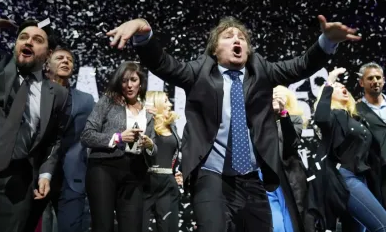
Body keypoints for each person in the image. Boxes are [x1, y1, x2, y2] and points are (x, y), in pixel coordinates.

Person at [107, 15, 360, 232]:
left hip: (251, 178)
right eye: (228, 36)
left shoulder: (261, 70)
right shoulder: (198, 73)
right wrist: (144, 33)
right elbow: (162, 63)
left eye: (242, 37)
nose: (237, 40)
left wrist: (327, 41)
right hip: (211, 175)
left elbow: (302, 65)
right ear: (214, 49)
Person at [0, 19, 69, 232]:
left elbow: (54, 140)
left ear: (48, 53)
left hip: (17, 182)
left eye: (37, 39)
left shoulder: (58, 95)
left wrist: (45, 174)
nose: (29, 42)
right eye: (23, 37)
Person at [24, 47, 94, 232]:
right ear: (47, 64)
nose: (65, 61)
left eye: (69, 60)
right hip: (33, 175)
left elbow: (99, 126)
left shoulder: (86, 101)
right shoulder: (31, 94)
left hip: (71, 179)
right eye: (60, 58)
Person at [80, 61, 157, 232]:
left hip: (134, 171)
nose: (129, 85)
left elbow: (153, 149)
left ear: (141, 82)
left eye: (133, 80)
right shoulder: (108, 102)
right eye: (124, 80)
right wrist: (118, 137)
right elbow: (86, 135)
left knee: (132, 227)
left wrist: (149, 144)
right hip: (104, 168)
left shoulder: (147, 112)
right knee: (103, 226)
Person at [314, 67, 386, 231]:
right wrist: (330, 81)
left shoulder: (355, 118)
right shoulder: (333, 115)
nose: (340, 87)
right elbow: (321, 118)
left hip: (362, 178)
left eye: (341, 85)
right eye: (336, 87)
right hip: (346, 179)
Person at [262, 85, 306, 232]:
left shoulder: (294, 119)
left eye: (278, 94)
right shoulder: (260, 120)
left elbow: (290, 144)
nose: (274, 96)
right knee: (275, 223)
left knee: (289, 222)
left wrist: (282, 114)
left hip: (285, 177)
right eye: (271, 93)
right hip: (262, 175)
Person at [143, 91, 181, 232]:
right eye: (165, 101)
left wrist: (178, 172)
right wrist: (145, 114)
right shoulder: (145, 123)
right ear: (155, 104)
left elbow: (176, 153)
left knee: (168, 228)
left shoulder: (173, 126)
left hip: (168, 184)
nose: (170, 104)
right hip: (145, 183)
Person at [356, 62, 386, 208]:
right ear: (361, 82)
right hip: (377, 175)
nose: (375, 81)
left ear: (384, 80)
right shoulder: (356, 111)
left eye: (378, 77)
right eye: (370, 78)